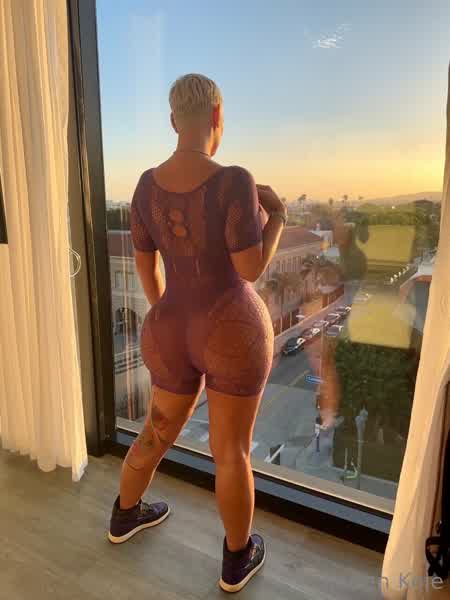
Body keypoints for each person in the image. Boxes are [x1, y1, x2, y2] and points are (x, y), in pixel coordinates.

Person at [108, 73, 287, 592]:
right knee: (231, 452)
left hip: (168, 327)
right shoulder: (234, 181)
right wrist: (277, 216)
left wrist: (172, 315)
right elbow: (250, 268)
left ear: (173, 121)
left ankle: (124, 515)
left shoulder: (145, 185)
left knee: (155, 431)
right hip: (232, 329)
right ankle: (237, 559)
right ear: (217, 117)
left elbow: (148, 271)